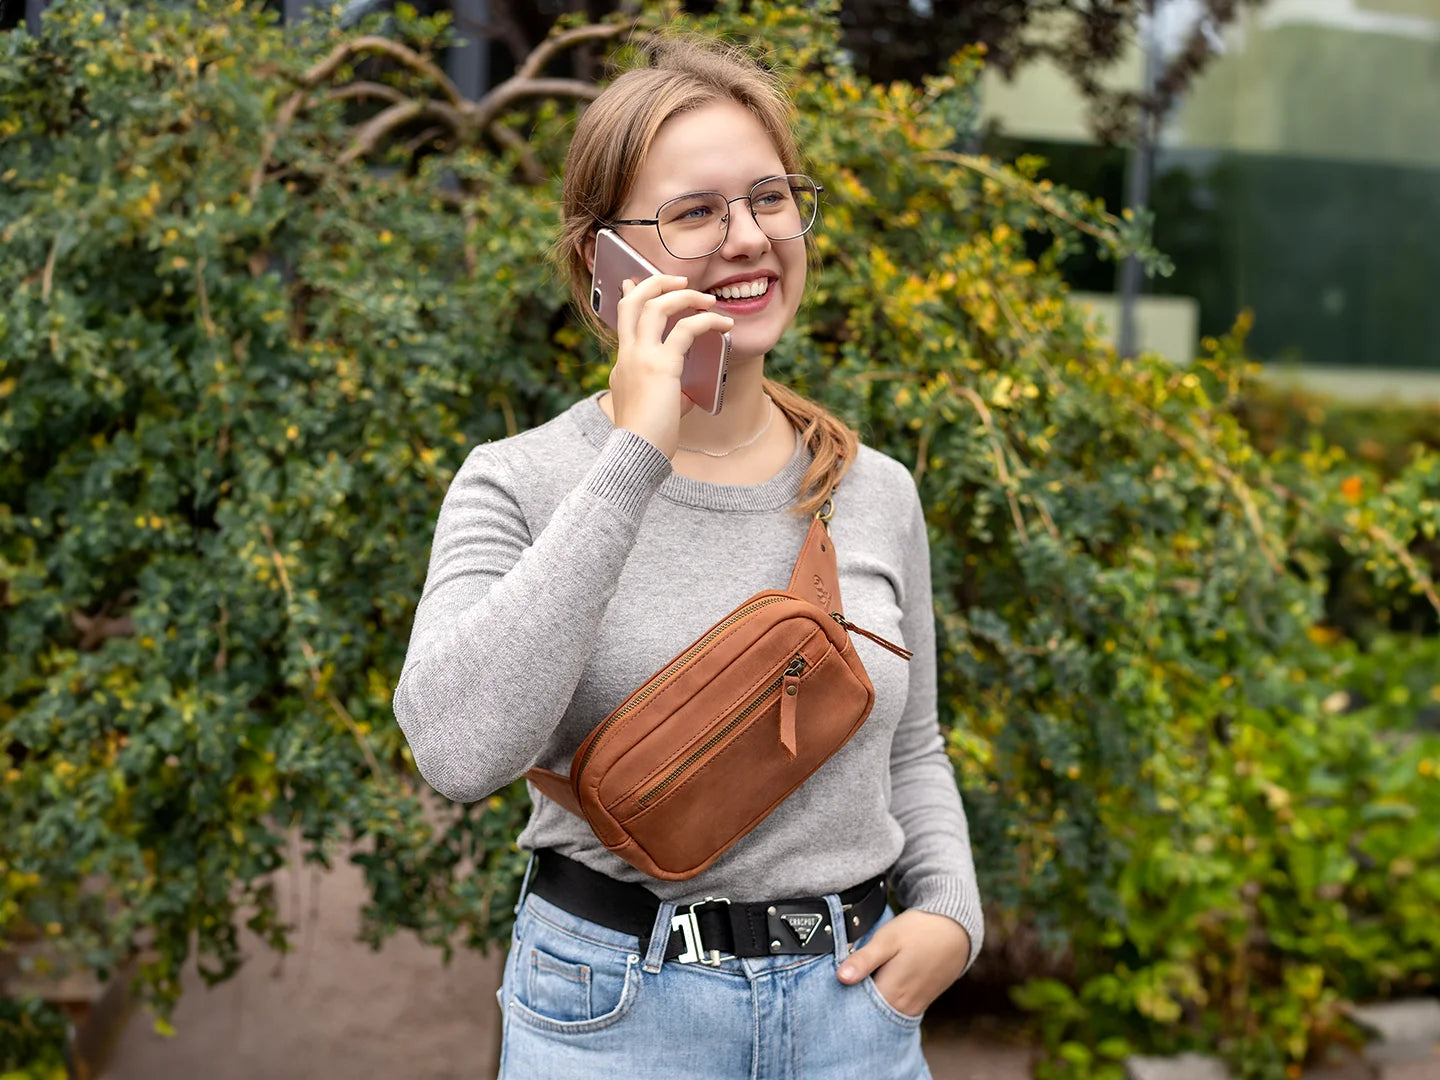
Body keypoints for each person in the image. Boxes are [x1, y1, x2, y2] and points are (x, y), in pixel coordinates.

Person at [393, 34, 983, 1080]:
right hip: (613, 1020)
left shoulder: (874, 490)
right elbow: (458, 752)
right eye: (696, 211)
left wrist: (949, 916)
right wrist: (638, 453)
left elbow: (914, 749)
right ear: (601, 260)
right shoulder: (520, 481)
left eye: (771, 198)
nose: (749, 237)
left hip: (859, 1017)